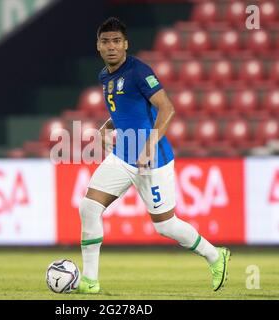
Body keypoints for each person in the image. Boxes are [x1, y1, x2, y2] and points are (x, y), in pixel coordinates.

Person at [77, 17, 230, 294]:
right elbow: (126, 110)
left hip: (152, 158)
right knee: (89, 207)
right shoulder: (105, 75)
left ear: (125, 44)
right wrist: (107, 125)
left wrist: (149, 145)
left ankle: (215, 256)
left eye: (116, 41)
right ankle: (90, 281)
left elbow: (166, 108)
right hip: (123, 155)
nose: (111, 46)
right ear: (98, 46)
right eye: (105, 41)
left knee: (166, 225)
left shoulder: (138, 71)